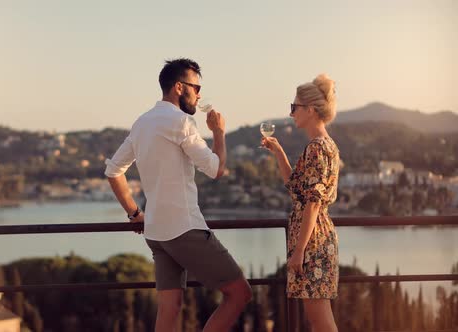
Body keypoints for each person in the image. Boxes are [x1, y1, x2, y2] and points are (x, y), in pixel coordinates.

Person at [105, 58, 252, 331]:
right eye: (196, 87)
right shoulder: (182, 122)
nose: (199, 94)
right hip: (184, 229)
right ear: (178, 87)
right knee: (240, 294)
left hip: (156, 233)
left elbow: (113, 171)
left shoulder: (142, 123)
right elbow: (216, 169)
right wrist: (219, 133)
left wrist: (135, 214)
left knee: (169, 309)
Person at [261, 74, 340, 331]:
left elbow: (313, 204)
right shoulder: (323, 145)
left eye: (294, 107)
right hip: (316, 237)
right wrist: (279, 153)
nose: (291, 112)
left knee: (319, 318)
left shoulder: (318, 148)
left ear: (310, 110)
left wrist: (299, 250)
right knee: (317, 317)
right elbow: (296, 187)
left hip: (312, 240)